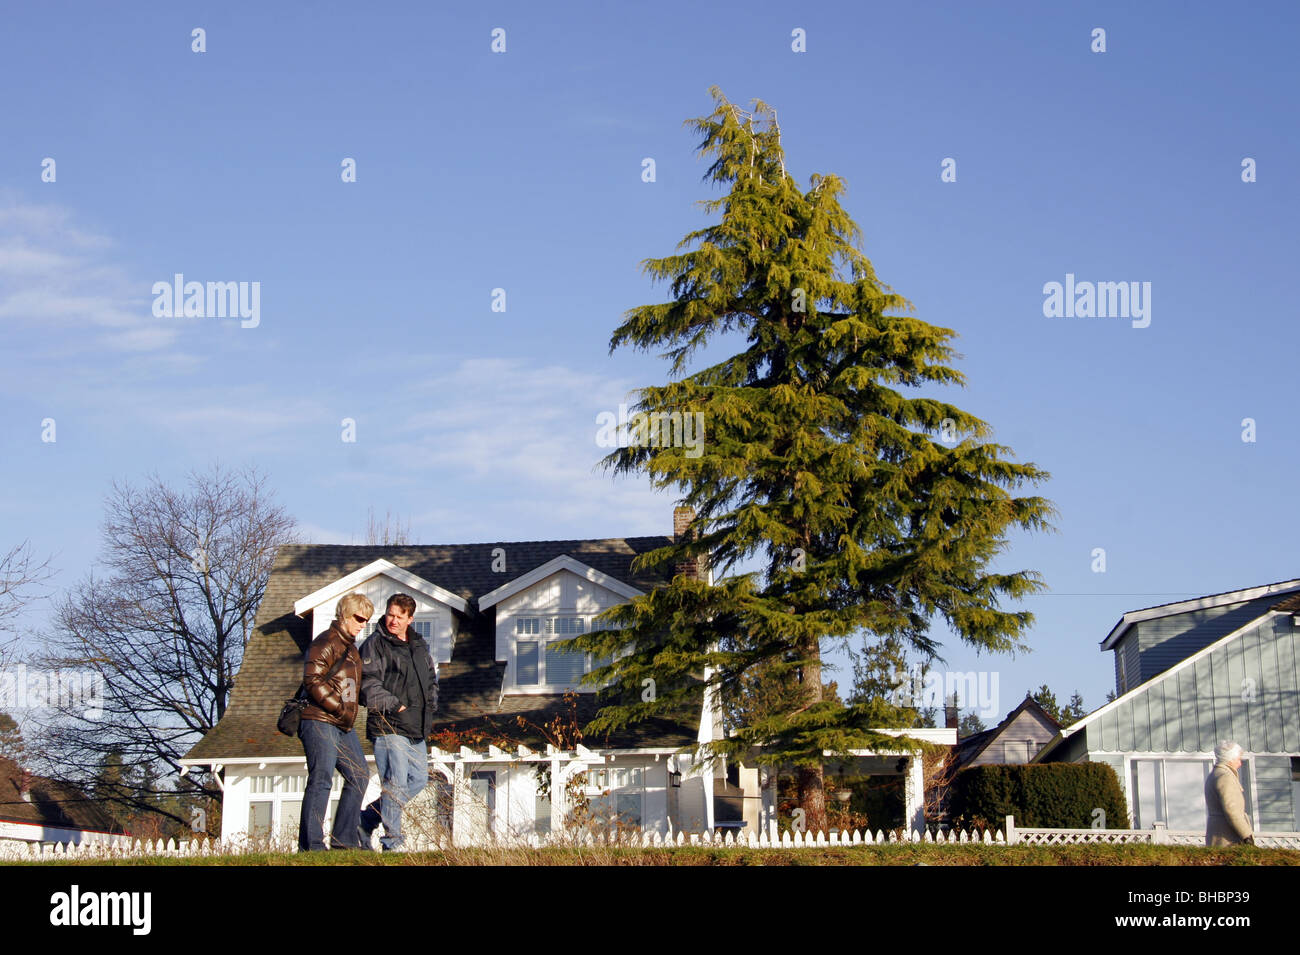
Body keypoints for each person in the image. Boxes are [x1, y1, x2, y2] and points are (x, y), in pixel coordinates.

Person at [358, 593, 439, 850]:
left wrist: (431, 704)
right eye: (390, 614)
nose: (393, 620)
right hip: (388, 724)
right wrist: (395, 705)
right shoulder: (375, 644)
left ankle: (366, 819)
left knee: (418, 780)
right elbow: (368, 684)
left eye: (399, 617)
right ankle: (392, 842)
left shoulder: (419, 644)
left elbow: (430, 680)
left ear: (410, 619)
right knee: (395, 783)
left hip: (416, 726)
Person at [298, 592, 371, 851]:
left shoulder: (351, 649)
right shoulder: (325, 641)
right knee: (321, 778)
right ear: (344, 614)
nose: (363, 624)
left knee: (360, 775)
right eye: (359, 618)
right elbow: (312, 680)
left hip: (342, 724)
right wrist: (338, 708)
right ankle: (312, 846)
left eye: (367, 619)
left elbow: (353, 687)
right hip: (319, 719)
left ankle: (344, 842)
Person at [1205, 740, 1254, 846]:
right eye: (1238, 759)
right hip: (1228, 839)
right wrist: (1246, 836)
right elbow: (1232, 810)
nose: (1240, 763)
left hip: (1218, 835)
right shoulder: (1225, 776)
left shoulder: (1215, 774)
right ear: (1230, 760)